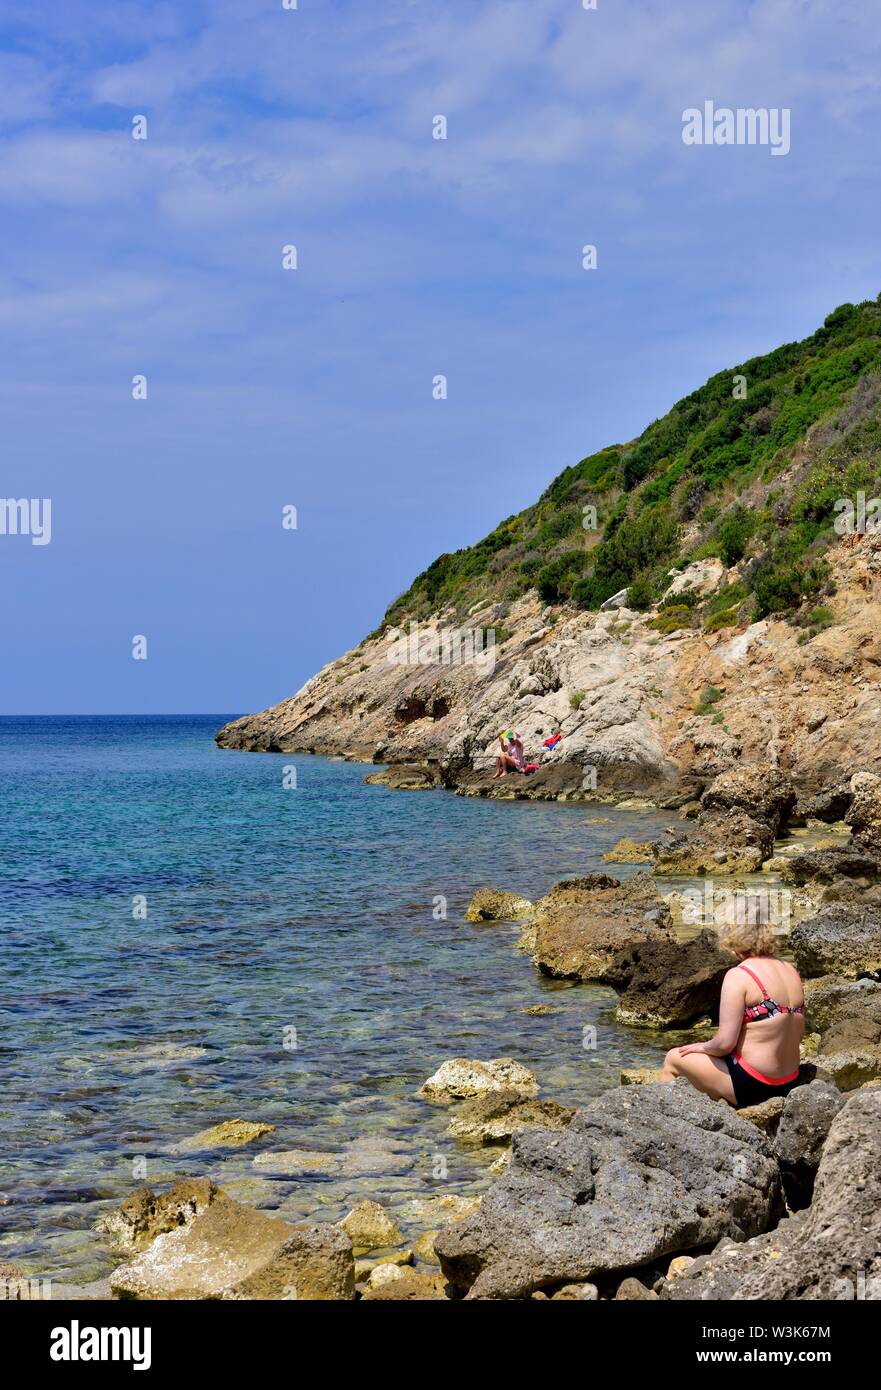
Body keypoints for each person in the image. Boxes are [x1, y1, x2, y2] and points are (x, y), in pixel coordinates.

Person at [659, 916, 805, 1108]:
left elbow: (725, 1044)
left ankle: (662, 1117)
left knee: (673, 1058)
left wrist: (703, 1047)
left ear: (733, 937)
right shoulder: (791, 970)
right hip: (790, 1081)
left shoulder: (740, 975)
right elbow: (797, 1033)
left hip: (755, 1085)